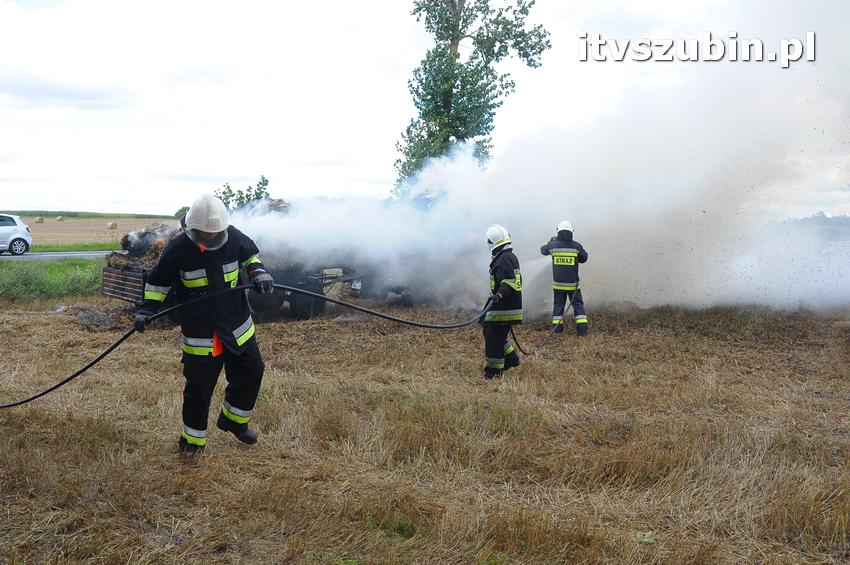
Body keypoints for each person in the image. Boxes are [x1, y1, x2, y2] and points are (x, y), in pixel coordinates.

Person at [134, 194, 275, 457]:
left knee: (252, 370)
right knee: (199, 389)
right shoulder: (177, 249)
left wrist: (259, 274)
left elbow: (250, 259)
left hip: (237, 326)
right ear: (192, 228)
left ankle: (233, 421)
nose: (210, 238)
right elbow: (158, 282)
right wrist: (147, 309)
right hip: (201, 333)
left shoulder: (233, 236)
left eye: (215, 233)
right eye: (203, 233)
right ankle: (192, 441)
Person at [481, 224, 523, 379]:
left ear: (491, 242)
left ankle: (493, 371)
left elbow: (510, 282)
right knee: (490, 331)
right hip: (505, 304)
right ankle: (511, 359)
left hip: (505, 306)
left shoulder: (505, 258)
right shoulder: (506, 256)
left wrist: (499, 296)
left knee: (493, 336)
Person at [540, 219, 588, 335]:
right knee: (578, 306)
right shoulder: (576, 246)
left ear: (558, 232)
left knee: (558, 306)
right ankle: (582, 331)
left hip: (558, 285)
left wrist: (550, 241)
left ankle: (557, 331)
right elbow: (584, 258)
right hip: (573, 285)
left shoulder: (553, 246)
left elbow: (543, 250)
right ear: (571, 232)